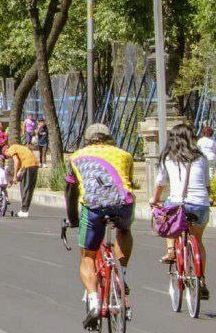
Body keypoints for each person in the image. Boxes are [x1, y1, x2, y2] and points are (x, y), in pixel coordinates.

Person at [64, 122, 137, 326]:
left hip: (94, 207)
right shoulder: (124, 155)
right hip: (123, 206)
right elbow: (128, 183)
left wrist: (72, 218)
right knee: (124, 229)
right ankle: (121, 276)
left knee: (87, 256)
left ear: (87, 140)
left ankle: (95, 301)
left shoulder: (76, 157)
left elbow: (71, 191)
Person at [154, 120, 213, 301]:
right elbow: (207, 185)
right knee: (198, 240)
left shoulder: (168, 158)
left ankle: (172, 250)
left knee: (168, 214)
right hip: (201, 205)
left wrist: (154, 200)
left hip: (178, 203)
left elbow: (160, 183)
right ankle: (201, 279)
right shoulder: (201, 157)